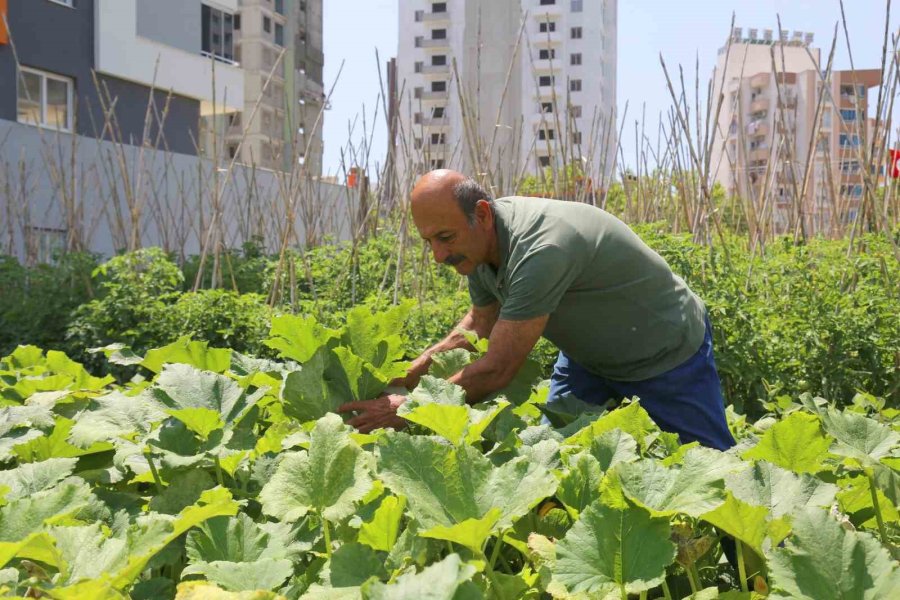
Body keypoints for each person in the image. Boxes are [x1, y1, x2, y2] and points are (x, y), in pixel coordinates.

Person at [338, 169, 736, 451]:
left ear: (481, 215)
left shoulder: (542, 250)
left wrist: (412, 409)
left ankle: (754, 563)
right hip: (588, 360)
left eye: (445, 238)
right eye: (429, 242)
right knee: (548, 461)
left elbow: (498, 368)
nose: (439, 254)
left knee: (711, 473)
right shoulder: (479, 247)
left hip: (664, 353)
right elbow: (476, 326)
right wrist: (401, 377)